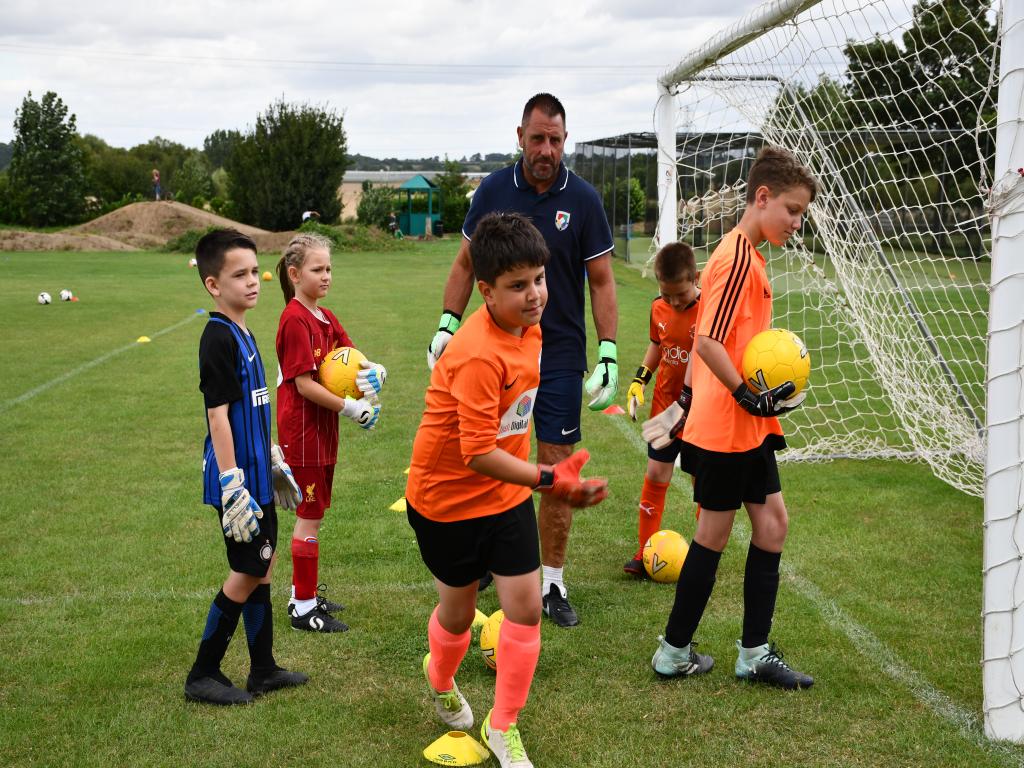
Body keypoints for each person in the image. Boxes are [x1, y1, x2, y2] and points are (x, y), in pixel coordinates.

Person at [407, 212, 608, 768]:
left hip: (505, 497)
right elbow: (475, 452)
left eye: (539, 280)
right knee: (457, 614)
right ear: (486, 290)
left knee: (524, 609)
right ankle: (440, 676)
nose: (534, 294)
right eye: (517, 286)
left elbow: (512, 423)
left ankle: (504, 727)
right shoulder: (475, 353)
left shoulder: (533, 328)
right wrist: (552, 479)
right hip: (447, 502)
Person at [426, 93, 617, 628]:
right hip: (495, 348)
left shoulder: (581, 198)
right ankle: (494, 554)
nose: (547, 149)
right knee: (493, 452)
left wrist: (607, 350)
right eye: (538, 138)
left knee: (555, 462)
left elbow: (601, 280)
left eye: (556, 139)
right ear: (519, 136)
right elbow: (466, 264)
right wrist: (447, 321)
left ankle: (551, 580)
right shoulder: (491, 189)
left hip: (555, 354)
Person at [642, 146, 815, 689]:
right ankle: (674, 652)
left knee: (772, 524)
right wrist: (745, 394)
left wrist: (712, 399)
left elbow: (717, 344)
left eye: (801, 214)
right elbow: (709, 339)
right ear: (761, 198)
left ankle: (752, 653)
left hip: (744, 424)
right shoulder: (737, 256)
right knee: (714, 535)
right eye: (791, 209)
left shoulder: (749, 254)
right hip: (729, 427)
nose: (795, 222)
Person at [185, 229, 308, 705]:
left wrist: (271, 454)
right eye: (240, 275)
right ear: (213, 284)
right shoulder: (217, 338)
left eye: (255, 272)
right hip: (238, 483)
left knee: (264, 566)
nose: (253, 281)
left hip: (259, 475)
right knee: (245, 570)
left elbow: (251, 411)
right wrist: (233, 482)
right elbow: (218, 416)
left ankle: (263, 668)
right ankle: (203, 672)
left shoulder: (244, 330)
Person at [275, 233, 386, 633]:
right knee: (308, 516)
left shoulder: (325, 316)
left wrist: (375, 374)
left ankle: (300, 594)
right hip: (301, 432)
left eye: (329, 269)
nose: (326, 276)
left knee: (316, 513)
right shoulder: (294, 320)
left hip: (322, 430)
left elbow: (353, 359)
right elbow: (304, 384)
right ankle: (303, 608)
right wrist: (352, 408)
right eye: (317, 269)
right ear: (294, 273)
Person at [622, 242, 700, 577]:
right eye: (666, 295)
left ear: (695, 278)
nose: (673, 302)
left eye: (680, 294)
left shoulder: (711, 308)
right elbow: (658, 345)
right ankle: (644, 552)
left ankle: (703, 558)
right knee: (655, 474)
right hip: (664, 408)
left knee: (703, 482)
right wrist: (640, 380)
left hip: (700, 411)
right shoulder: (658, 308)